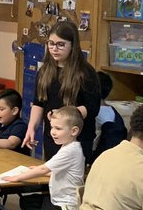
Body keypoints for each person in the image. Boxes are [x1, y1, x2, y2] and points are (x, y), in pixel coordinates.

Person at [23, 19, 104, 165]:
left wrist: (63, 115)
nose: (54, 49)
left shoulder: (85, 73)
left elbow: (92, 108)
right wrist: (31, 127)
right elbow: (39, 102)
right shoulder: (45, 71)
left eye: (61, 45)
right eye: (51, 43)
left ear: (73, 46)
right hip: (52, 136)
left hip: (76, 139)